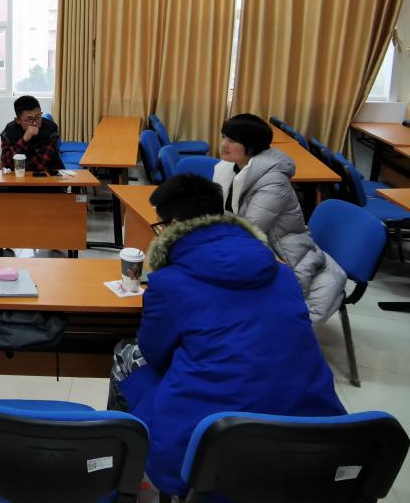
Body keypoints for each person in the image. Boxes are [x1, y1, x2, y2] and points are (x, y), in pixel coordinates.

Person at [109, 174, 345, 497]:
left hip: (213, 447)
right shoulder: (281, 272)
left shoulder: (168, 283)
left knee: (126, 354)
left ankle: (123, 476)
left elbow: (154, 353)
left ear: (173, 224)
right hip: (315, 438)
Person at [212, 113, 347, 323]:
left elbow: (250, 230)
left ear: (251, 146)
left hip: (282, 251)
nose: (224, 144)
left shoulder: (273, 182)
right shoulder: (230, 168)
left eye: (232, 140)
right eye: (224, 137)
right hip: (253, 243)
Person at [0, 95, 61, 173]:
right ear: (18, 120)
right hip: (18, 176)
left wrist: (15, 165)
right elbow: (6, 162)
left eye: (38, 117)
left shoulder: (50, 129)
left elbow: (40, 165)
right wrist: (24, 140)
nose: (35, 123)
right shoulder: (9, 131)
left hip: (49, 175)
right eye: (29, 119)